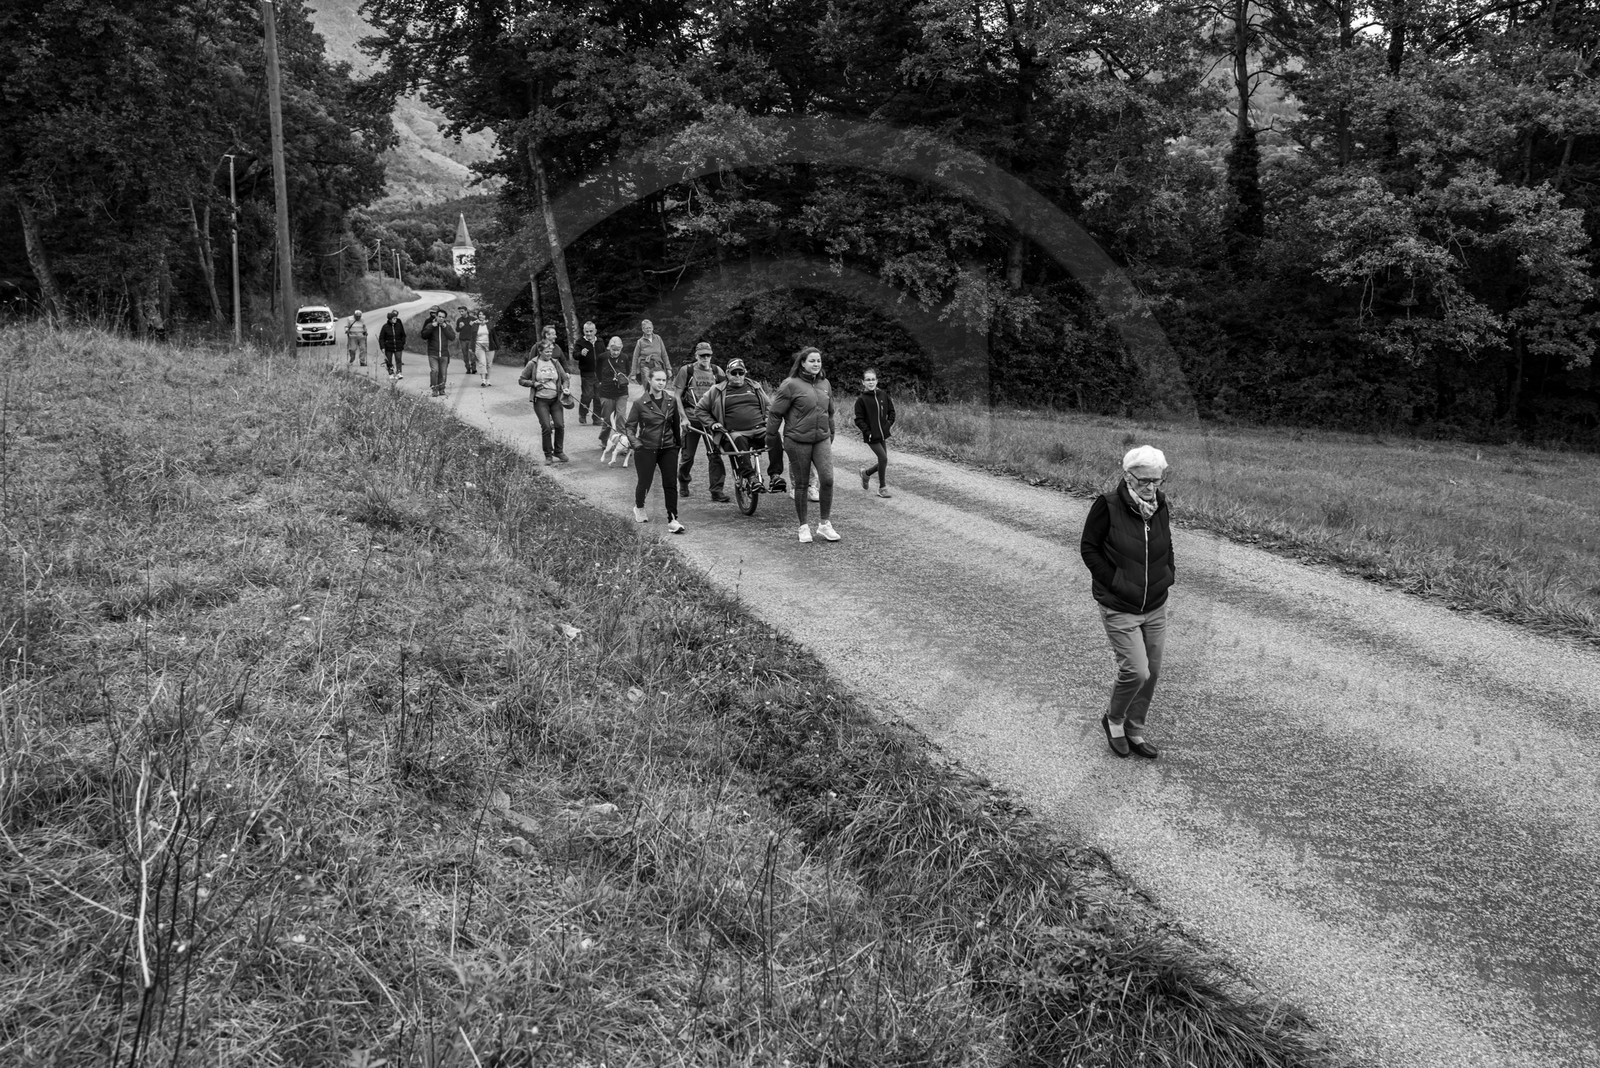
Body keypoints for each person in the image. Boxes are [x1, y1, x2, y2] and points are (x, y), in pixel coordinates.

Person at [1079, 445, 1175, 761]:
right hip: (1119, 605)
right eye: (1144, 480)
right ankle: (1114, 720)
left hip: (1155, 605)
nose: (1150, 487)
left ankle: (1135, 729)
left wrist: (1168, 574)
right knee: (1136, 671)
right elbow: (1089, 549)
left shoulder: (1160, 504)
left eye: (1156, 480)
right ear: (1127, 476)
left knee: (1154, 671)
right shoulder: (1107, 506)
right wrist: (1117, 583)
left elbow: (1166, 542)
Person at [767, 346, 839, 543]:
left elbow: (830, 411)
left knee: (828, 480)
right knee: (801, 484)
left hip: (821, 438)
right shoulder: (790, 385)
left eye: (819, 361)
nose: (816, 364)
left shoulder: (825, 384)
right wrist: (771, 437)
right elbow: (775, 413)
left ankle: (824, 524)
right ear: (802, 363)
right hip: (797, 440)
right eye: (812, 361)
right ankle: (803, 527)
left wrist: (830, 432)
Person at [692, 357, 778, 489]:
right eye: (734, 373)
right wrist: (712, 423)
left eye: (741, 372)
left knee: (775, 436)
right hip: (734, 433)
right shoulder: (717, 390)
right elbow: (700, 409)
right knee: (739, 440)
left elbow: (768, 407)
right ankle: (750, 478)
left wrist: (768, 420)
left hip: (759, 429)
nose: (737, 376)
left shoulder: (755, 386)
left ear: (745, 373)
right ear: (727, 373)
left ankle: (775, 476)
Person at [623, 367, 686, 534]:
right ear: (649, 380)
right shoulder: (639, 403)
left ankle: (672, 519)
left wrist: (677, 446)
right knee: (645, 481)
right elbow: (629, 427)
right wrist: (637, 444)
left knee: (670, 483)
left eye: (664, 380)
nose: (661, 383)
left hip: (668, 447)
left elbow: (675, 425)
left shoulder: (671, 401)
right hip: (646, 448)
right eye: (658, 380)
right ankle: (639, 507)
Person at [673, 342, 728, 501]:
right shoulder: (687, 371)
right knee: (688, 456)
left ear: (711, 355)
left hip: (710, 420)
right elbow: (676, 396)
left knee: (714, 454)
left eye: (708, 355)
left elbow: (725, 395)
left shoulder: (718, 372)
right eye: (702, 355)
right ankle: (683, 481)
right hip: (691, 417)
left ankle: (716, 491)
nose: (705, 358)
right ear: (696, 355)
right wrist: (683, 418)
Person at [519, 339, 571, 464]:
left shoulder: (555, 362)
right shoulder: (533, 363)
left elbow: (565, 379)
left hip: (556, 400)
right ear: (540, 351)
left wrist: (566, 388)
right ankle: (548, 455)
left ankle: (558, 451)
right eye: (547, 352)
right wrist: (534, 384)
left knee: (559, 425)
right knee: (547, 427)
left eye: (551, 351)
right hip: (541, 400)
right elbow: (521, 380)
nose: (549, 354)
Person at [853, 368, 896, 498]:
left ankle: (866, 474)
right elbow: (859, 419)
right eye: (868, 380)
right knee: (883, 458)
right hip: (871, 436)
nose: (871, 382)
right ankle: (882, 488)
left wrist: (887, 425)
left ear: (876, 381)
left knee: (883, 460)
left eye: (873, 379)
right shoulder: (861, 400)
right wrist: (868, 432)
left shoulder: (883, 395)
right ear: (863, 382)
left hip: (882, 434)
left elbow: (892, 412)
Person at [595, 335, 631, 445]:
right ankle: (604, 439)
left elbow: (627, 372)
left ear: (621, 348)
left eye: (618, 350)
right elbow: (598, 371)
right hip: (606, 392)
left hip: (621, 392)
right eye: (613, 350)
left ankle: (622, 442)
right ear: (609, 348)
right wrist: (603, 382)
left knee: (620, 417)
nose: (615, 352)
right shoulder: (602, 357)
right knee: (607, 419)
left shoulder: (624, 357)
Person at [420, 307, 456, 397]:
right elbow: (424, 335)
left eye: (443, 317)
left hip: (444, 354)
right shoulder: (430, 325)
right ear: (436, 316)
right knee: (434, 371)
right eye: (439, 316)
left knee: (443, 373)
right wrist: (432, 326)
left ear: (445, 318)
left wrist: (445, 328)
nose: (441, 318)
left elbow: (452, 337)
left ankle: (442, 389)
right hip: (433, 353)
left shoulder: (447, 326)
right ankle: (434, 390)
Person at [573, 321, 601, 423]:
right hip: (586, 374)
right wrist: (580, 353)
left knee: (598, 396)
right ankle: (583, 414)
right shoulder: (580, 342)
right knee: (587, 395)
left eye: (591, 331)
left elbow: (604, 356)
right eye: (586, 331)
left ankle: (597, 417)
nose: (588, 334)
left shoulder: (600, 342)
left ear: (595, 331)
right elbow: (575, 355)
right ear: (584, 331)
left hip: (599, 374)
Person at [630, 319, 670, 384]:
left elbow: (664, 354)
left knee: (657, 384)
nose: (648, 329)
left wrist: (668, 368)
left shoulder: (658, 338)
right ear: (643, 330)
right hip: (645, 365)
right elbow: (635, 357)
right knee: (648, 385)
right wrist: (633, 373)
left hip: (657, 364)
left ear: (652, 328)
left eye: (650, 328)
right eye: (646, 328)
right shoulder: (640, 342)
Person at [378, 310, 406, 380]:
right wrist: (382, 347)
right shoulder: (385, 327)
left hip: (398, 346)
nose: (395, 320)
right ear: (390, 319)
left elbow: (403, 335)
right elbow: (381, 338)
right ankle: (391, 373)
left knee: (398, 359)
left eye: (396, 318)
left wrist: (402, 342)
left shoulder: (399, 326)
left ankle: (399, 372)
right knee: (389, 360)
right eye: (394, 318)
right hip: (388, 347)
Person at [473, 312, 496, 386]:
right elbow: (472, 336)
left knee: (489, 364)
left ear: (486, 316)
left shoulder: (490, 324)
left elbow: (494, 336)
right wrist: (471, 347)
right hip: (478, 345)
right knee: (482, 363)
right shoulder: (475, 324)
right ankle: (483, 381)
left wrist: (497, 345)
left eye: (483, 314)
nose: (481, 316)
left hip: (489, 345)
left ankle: (488, 380)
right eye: (479, 314)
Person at [455, 307, 476, 372]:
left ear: (466, 311)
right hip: (462, 340)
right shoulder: (459, 320)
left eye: (462, 311)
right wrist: (460, 327)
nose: (461, 313)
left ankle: (473, 368)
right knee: (465, 354)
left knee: (472, 354)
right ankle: (468, 368)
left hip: (471, 339)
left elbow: (477, 329)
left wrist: (473, 325)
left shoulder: (473, 319)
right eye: (460, 312)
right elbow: (457, 330)